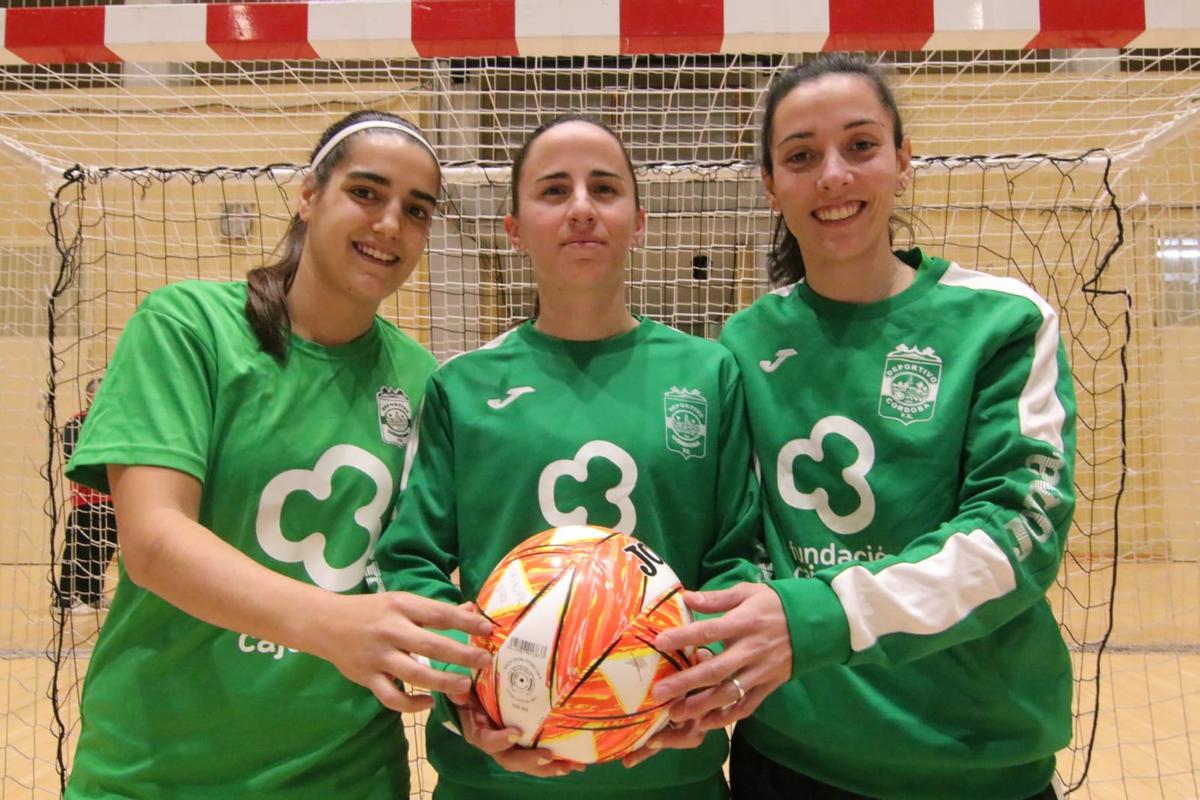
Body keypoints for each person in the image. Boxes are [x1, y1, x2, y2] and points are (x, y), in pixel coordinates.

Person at [651, 54, 1077, 800]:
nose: (834, 175)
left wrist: (819, 617)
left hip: (974, 765)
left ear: (903, 160)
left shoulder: (1003, 320)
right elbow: (738, 538)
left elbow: (1020, 529)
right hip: (787, 758)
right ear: (771, 186)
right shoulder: (744, 342)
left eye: (861, 145)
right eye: (802, 156)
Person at [63, 110, 493, 799]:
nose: (390, 224)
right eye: (366, 192)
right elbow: (152, 540)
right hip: (158, 773)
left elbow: (424, 565)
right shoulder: (188, 326)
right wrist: (335, 626)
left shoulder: (422, 379)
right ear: (309, 194)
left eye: (417, 210)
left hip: (348, 777)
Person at [375, 114, 761, 800]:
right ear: (513, 228)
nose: (582, 207)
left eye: (604, 188)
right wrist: (469, 694)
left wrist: (700, 664)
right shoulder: (462, 387)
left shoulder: (708, 373)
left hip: (669, 773)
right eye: (554, 191)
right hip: (493, 775)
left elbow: (736, 556)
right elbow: (413, 562)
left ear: (638, 221)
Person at [57, 376, 118, 612]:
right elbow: (71, 455)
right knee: (80, 548)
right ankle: (66, 598)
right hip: (86, 499)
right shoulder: (77, 422)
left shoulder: (114, 422)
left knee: (104, 549)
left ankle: (92, 595)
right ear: (89, 397)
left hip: (112, 499)